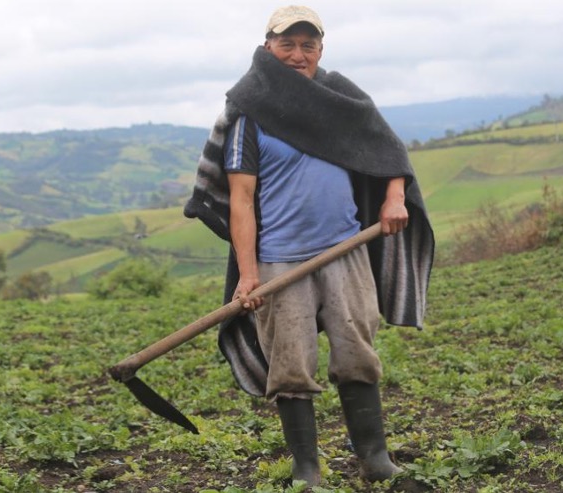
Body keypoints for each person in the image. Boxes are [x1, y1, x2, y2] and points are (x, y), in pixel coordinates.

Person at [184, 5, 434, 487]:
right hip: (280, 260)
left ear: (321, 49)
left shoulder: (340, 99)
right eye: (287, 44)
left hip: (346, 250)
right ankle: (307, 471)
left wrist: (395, 196)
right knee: (291, 363)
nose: (298, 55)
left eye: (308, 45)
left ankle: (376, 461)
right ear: (267, 48)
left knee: (357, 351)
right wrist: (250, 273)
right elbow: (240, 198)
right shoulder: (249, 113)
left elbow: (389, 151)